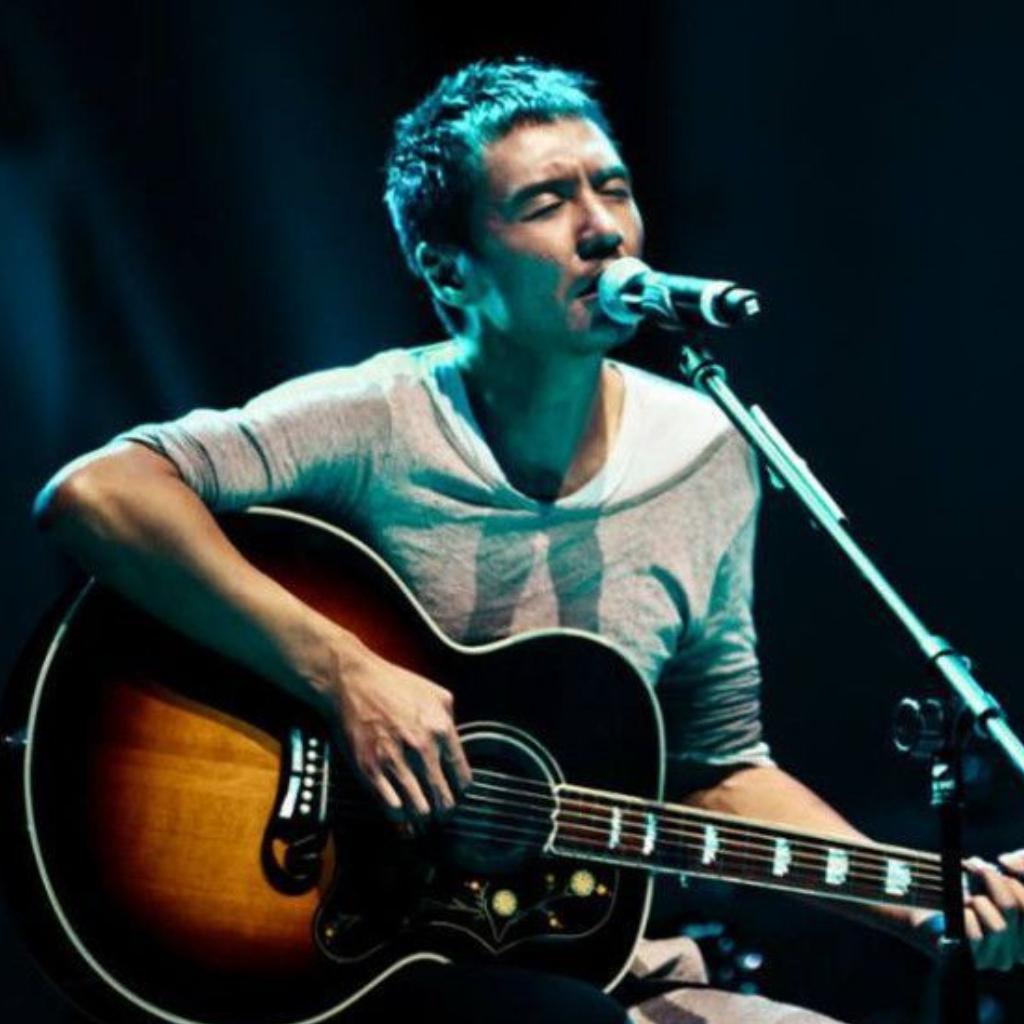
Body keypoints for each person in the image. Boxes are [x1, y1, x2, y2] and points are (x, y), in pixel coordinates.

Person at [34, 58, 1023, 1023]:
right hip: (356, 951)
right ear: (448, 269)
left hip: (581, 957)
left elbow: (715, 768)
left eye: (613, 188)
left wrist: (918, 902)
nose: (603, 229)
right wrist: (344, 673)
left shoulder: (707, 450)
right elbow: (98, 493)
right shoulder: (374, 419)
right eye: (547, 202)